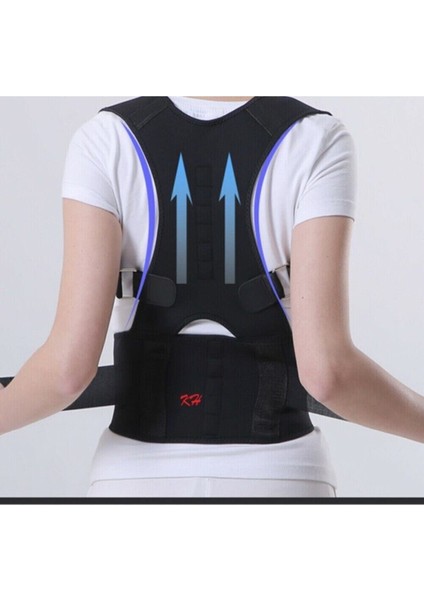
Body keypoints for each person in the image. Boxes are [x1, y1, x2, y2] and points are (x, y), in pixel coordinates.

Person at [1, 96, 423, 499]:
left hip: (134, 478)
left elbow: (65, 373)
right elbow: (328, 373)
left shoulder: (105, 139)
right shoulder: (317, 140)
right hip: (281, 475)